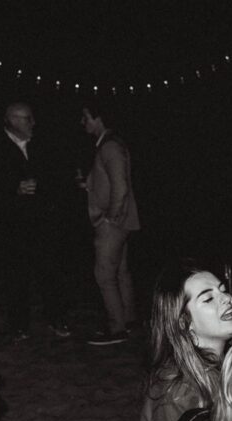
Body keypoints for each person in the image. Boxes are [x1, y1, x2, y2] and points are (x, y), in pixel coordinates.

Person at [140, 265, 232, 421]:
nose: (226, 298)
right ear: (185, 323)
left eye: (222, 289)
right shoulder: (179, 391)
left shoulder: (231, 364)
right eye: (208, 298)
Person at [0, 101, 70, 340]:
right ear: (12, 120)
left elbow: (55, 177)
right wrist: (13, 188)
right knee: (17, 277)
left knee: (50, 272)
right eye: (28, 119)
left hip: (42, 222)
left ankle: (55, 318)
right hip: (13, 226)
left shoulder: (40, 145)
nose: (33, 123)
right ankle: (19, 325)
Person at [82, 100, 140, 345]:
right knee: (120, 272)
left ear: (99, 119)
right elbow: (113, 181)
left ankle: (116, 329)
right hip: (123, 220)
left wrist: (110, 218)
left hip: (114, 222)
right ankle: (128, 321)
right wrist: (91, 185)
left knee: (104, 274)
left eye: (85, 117)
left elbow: (121, 186)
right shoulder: (110, 145)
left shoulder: (110, 146)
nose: (82, 122)